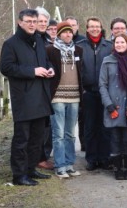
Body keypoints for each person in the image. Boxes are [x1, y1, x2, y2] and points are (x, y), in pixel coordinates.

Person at [0, 9, 54, 186]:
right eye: (29, 21)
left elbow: (44, 61)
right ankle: (19, 175)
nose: (32, 24)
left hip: (41, 96)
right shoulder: (11, 44)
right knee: (22, 139)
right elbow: (6, 68)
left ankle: (30, 169)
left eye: (34, 21)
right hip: (23, 99)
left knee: (37, 138)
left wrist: (49, 68)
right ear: (20, 22)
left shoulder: (38, 40)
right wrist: (32, 71)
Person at [99, 33, 127, 180]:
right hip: (113, 106)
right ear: (114, 45)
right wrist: (109, 105)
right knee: (115, 138)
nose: (119, 45)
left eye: (122, 42)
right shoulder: (107, 61)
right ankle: (118, 168)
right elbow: (102, 85)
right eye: (117, 42)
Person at [46, 21, 83, 178]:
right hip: (58, 96)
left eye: (70, 32)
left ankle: (69, 164)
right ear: (59, 34)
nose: (68, 34)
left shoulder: (78, 50)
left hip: (74, 96)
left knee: (70, 134)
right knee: (58, 133)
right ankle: (59, 165)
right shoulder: (50, 50)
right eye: (64, 32)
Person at [76, 17, 113, 171]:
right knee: (89, 127)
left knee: (105, 126)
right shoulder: (79, 46)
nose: (94, 29)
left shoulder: (109, 46)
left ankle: (105, 158)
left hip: (105, 92)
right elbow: (76, 70)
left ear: (101, 27)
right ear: (87, 28)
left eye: (97, 26)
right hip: (88, 92)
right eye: (91, 27)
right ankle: (91, 158)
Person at [35, 6, 54, 170]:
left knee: (46, 125)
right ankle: (37, 159)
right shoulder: (32, 39)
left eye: (44, 21)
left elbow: (46, 59)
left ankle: (42, 157)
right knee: (37, 127)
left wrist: (50, 68)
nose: (42, 23)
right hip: (33, 88)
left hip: (46, 86)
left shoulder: (46, 38)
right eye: (39, 21)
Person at [64, 15, 86, 151]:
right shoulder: (59, 43)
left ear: (77, 26)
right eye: (68, 25)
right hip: (64, 89)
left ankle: (83, 146)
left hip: (81, 88)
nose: (71, 28)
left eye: (73, 25)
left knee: (82, 119)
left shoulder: (83, 42)